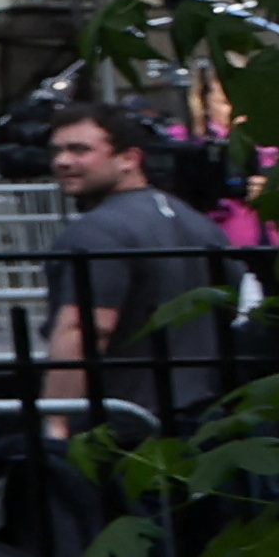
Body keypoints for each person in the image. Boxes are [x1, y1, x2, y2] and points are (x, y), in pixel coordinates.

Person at [39, 106, 241, 427]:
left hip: (127, 427)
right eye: (57, 151)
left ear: (129, 159)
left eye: (80, 150)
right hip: (204, 418)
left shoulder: (96, 232)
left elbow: (84, 329)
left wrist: (56, 424)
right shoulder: (201, 226)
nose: (61, 161)